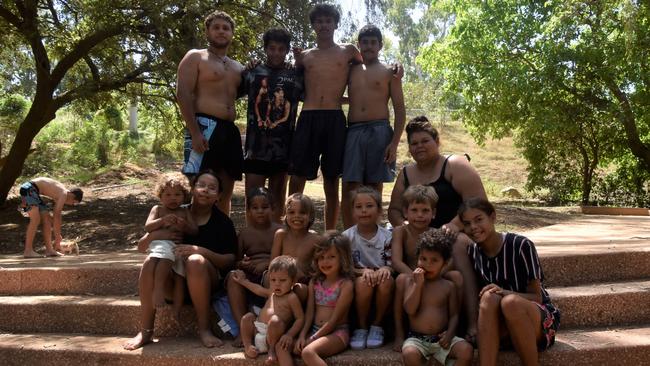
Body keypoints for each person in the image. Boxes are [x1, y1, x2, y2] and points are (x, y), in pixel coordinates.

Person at [387, 115, 488, 342]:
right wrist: (405, 227)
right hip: (421, 240)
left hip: (458, 233)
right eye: (414, 143)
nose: (419, 146)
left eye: (425, 141)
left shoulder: (455, 165)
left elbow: (478, 203)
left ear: (437, 141)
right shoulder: (405, 174)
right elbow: (393, 210)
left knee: (458, 243)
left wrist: (454, 224)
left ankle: (472, 323)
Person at [124, 170, 237, 350]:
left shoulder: (222, 223)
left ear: (219, 196)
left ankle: (205, 329)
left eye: (212, 188)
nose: (205, 190)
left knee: (195, 260)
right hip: (173, 282)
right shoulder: (171, 211)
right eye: (201, 185)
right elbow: (141, 247)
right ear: (191, 189)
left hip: (206, 283)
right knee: (148, 263)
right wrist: (158, 234)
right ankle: (145, 331)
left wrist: (200, 250)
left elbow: (230, 260)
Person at [459, 198, 560, 366]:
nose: (473, 227)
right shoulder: (474, 252)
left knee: (510, 303)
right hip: (500, 325)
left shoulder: (521, 245)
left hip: (536, 320)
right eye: (467, 223)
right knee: (489, 297)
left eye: (479, 219)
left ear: (492, 217)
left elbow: (537, 297)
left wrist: (504, 291)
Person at [288, 3, 363, 230]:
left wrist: (351, 99)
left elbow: (366, 72)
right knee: (298, 175)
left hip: (334, 119)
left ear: (335, 24)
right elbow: (293, 85)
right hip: (308, 117)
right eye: (319, 21)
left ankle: (330, 232)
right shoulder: (305, 56)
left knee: (332, 180)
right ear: (313, 25)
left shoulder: (348, 51)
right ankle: (291, 226)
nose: (324, 25)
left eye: (328, 21)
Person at [176, 10, 245, 215]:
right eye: (216, 27)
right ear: (207, 31)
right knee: (197, 187)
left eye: (226, 28)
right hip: (204, 126)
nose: (221, 31)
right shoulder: (196, 57)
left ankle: (219, 238)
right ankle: (192, 237)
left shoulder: (238, 68)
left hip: (229, 131)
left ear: (232, 33)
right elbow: (183, 94)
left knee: (225, 190)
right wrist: (195, 132)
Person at [341, 24, 406, 229]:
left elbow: (400, 109)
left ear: (380, 45)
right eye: (365, 42)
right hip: (353, 130)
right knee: (350, 185)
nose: (368, 46)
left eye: (373, 43)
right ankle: (349, 236)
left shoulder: (390, 72)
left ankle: (373, 237)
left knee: (373, 187)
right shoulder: (350, 69)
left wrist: (394, 144)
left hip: (380, 131)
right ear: (359, 45)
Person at [242, 28, 303, 222]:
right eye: (272, 48)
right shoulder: (252, 72)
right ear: (265, 49)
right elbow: (230, 91)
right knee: (252, 200)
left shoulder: (295, 75)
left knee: (277, 202)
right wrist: (246, 67)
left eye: (281, 49)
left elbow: (318, 94)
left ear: (286, 51)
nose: (276, 53)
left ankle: (275, 244)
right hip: (255, 147)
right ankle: (252, 244)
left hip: (282, 148)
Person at [401, 228, 473, 366]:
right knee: (409, 354)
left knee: (466, 350)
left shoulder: (448, 286)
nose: (427, 264)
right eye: (423, 259)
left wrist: (450, 334)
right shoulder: (412, 282)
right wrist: (418, 286)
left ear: (444, 263)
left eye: (434, 260)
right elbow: (410, 310)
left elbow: (454, 315)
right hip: (416, 340)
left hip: (441, 338)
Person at [226, 187, 282, 346]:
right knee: (232, 277)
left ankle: (269, 326)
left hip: (271, 272)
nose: (260, 211)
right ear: (248, 210)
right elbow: (235, 260)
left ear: (273, 208)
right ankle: (243, 328)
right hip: (249, 274)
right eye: (255, 208)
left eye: (265, 207)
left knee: (272, 276)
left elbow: (285, 257)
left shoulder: (279, 230)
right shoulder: (244, 233)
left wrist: (267, 264)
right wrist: (241, 264)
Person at [342, 186, 393, 350]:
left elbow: (394, 263)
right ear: (352, 211)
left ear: (379, 209)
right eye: (358, 207)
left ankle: (377, 326)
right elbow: (344, 267)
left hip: (383, 277)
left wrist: (387, 270)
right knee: (364, 283)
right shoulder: (347, 237)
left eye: (369, 206)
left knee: (386, 281)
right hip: (360, 278)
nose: (364, 211)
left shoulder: (389, 237)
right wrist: (362, 271)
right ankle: (362, 327)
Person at [294, 231, 355, 365]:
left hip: (337, 333)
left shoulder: (345, 284)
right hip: (314, 329)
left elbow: (335, 320)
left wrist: (314, 338)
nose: (325, 262)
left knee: (308, 352)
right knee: (284, 345)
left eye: (331, 257)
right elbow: (309, 313)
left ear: (342, 258)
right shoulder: (314, 282)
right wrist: (303, 335)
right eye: (321, 257)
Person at [232, 255, 305, 366]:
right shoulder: (272, 292)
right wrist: (243, 282)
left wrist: (290, 334)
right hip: (258, 330)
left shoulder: (291, 298)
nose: (277, 284)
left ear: (293, 281)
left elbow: (300, 318)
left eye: (283, 280)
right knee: (247, 317)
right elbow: (258, 289)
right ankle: (248, 345)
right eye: (273, 280)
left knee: (275, 320)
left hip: (275, 336)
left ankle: (271, 351)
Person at [143, 174, 198, 319]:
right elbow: (148, 227)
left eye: (177, 194)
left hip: (177, 247)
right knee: (164, 255)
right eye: (167, 194)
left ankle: (176, 310)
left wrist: (185, 226)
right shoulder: (158, 209)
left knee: (180, 277)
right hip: (160, 245)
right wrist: (162, 221)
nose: (173, 198)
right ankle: (158, 289)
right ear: (160, 196)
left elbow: (194, 230)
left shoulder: (185, 212)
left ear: (184, 196)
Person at [270, 193, 321, 302]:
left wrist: (308, 273)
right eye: (292, 212)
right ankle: (271, 308)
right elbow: (272, 262)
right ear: (286, 215)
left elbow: (319, 266)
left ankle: (295, 315)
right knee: (267, 278)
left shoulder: (315, 239)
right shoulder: (281, 235)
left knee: (302, 290)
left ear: (310, 216)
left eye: (302, 212)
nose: (296, 216)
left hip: (300, 281)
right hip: (279, 278)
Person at [18, 177, 83, 258]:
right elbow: (57, 215)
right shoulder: (63, 193)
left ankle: (49, 250)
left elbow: (56, 217)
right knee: (35, 219)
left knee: (47, 219)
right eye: (74, 203)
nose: (72, 204)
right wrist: (58, 236)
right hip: (29, 189)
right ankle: (28, 251)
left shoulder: (60, 194)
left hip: (34, 192)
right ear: (72, 195)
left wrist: (57, 236)